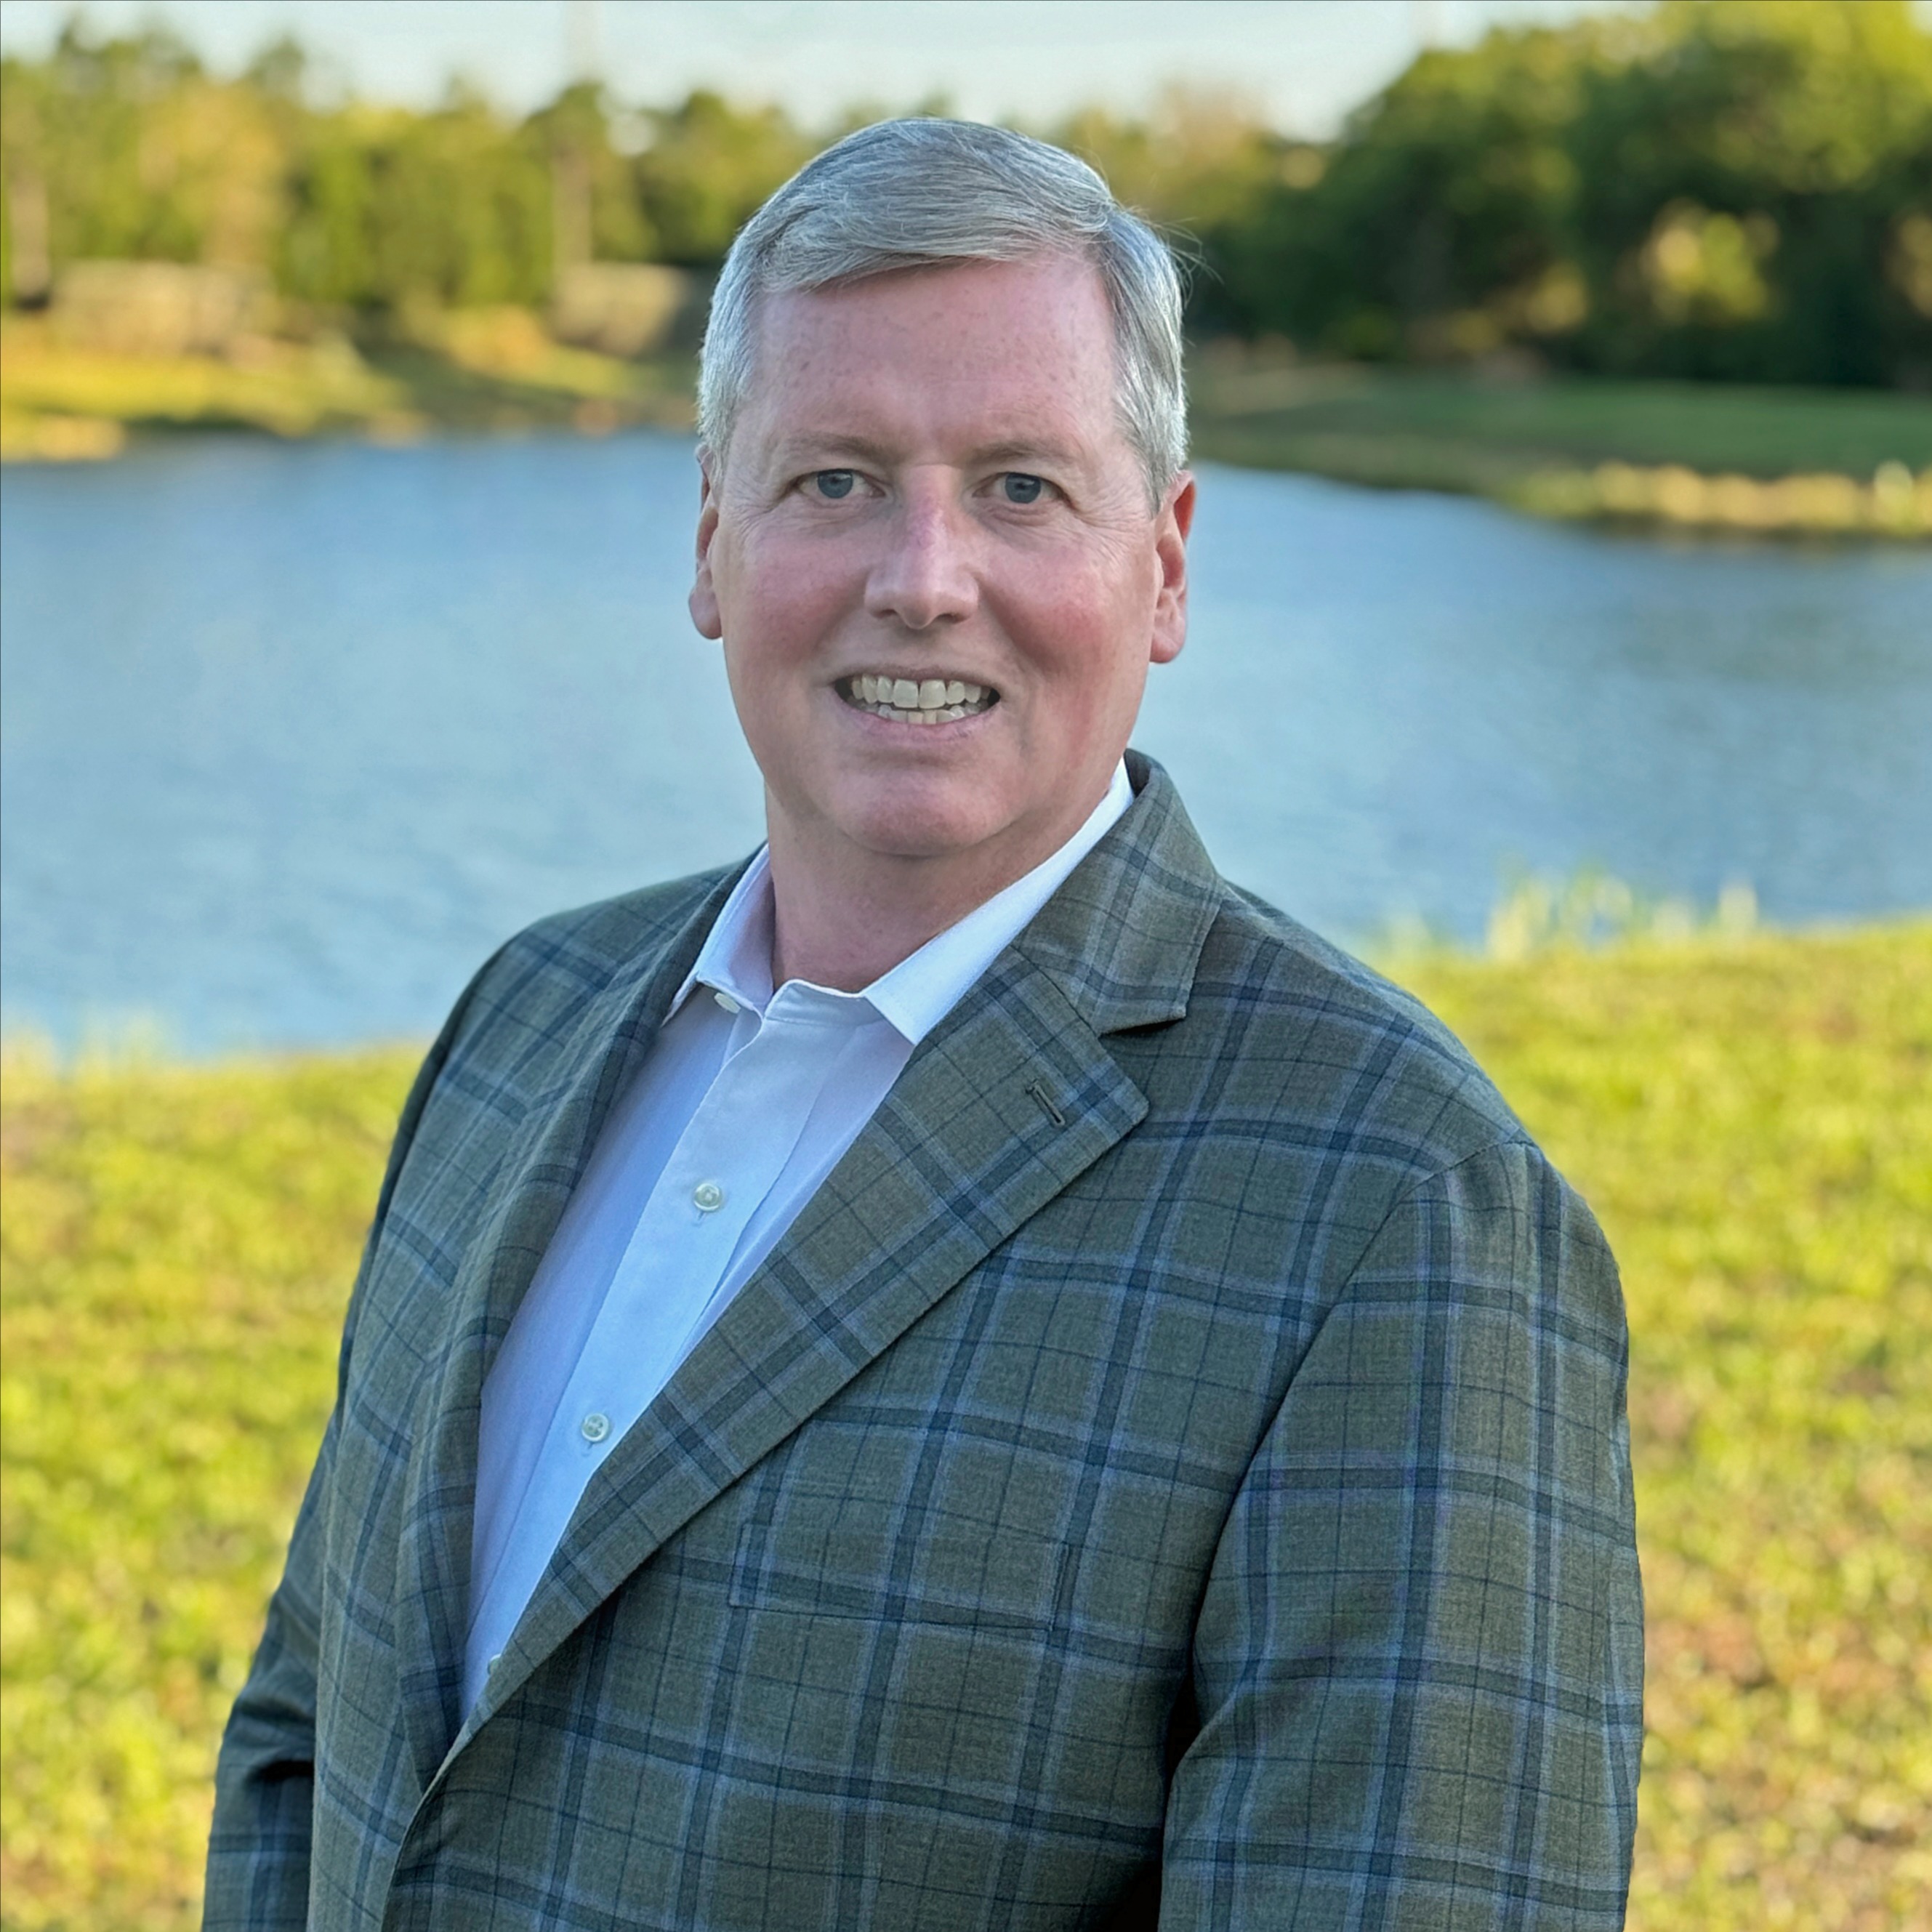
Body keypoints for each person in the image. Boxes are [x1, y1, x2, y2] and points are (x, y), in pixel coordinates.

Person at [206, 118, 1642, 1931]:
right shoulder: (526, 1014)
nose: (925, 575)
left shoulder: (1402, 1210)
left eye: (1025, 487)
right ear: (713, 538)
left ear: (1170, 562)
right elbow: (305, 1734)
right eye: (836, 480)